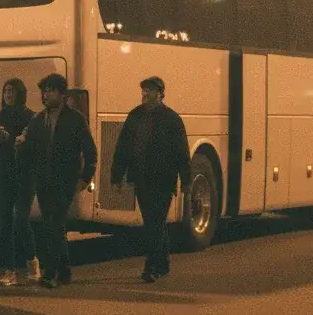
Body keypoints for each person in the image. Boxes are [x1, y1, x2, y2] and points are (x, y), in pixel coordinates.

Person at [17, 73, 97, 289]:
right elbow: (29, 150)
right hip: (43, 180)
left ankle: (50, 272)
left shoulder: (75, 119)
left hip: (65, 179)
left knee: (54, 223)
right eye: (44, 90)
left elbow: (89, 151)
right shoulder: (38, 119)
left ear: (61, 94)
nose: (46, 94)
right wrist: (20, 145)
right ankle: (64, 270)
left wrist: (85, 177)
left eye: (51, 90)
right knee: (53, 225)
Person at [111, 77, 191, 283]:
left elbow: (182, 152)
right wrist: (116, 176)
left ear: (161, 93)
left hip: (163, 180)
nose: (145, 93)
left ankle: (151, 266)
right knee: (153, 223)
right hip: (141, 178)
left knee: (155, 222)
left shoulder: (172, 119)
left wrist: (186, 180)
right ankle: (162, 263)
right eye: (144, 90)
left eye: (150, 90)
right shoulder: (135, 116)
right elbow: (123, 147)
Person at [0, 78, 37, 287]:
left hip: (24, 175)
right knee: (4, 222)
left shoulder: (30, 118)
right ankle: (10, 269)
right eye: (5, 91)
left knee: (21, 220)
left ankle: (32, 260)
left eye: (11, 91)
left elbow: (32, 148)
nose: (7, 95)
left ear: (20, 94)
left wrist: (11, 139)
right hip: (3, 173)